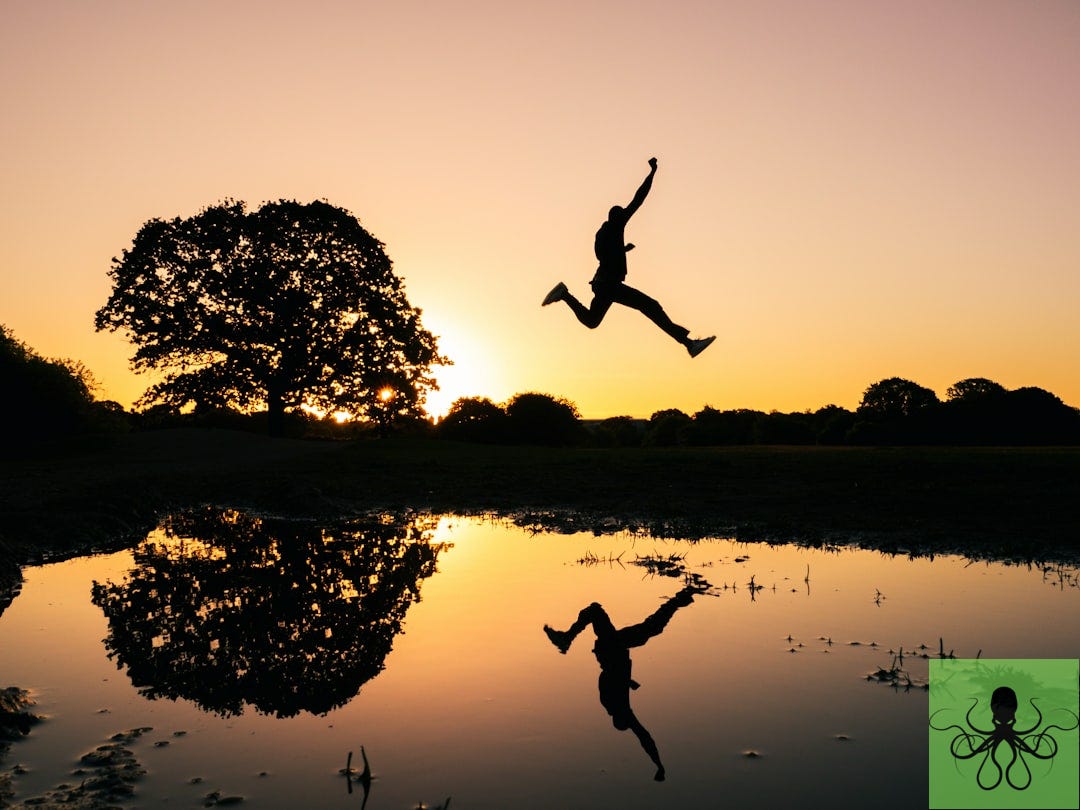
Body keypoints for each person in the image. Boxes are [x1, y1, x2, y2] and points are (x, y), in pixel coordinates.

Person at [542, 158, 715, 358]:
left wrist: (622, 250)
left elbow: (602, 255)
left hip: (603, 283)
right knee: (650, 306)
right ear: (615, 216)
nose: (625, 214)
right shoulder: (616, 225)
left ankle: (564, 295)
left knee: (592, 321)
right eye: (622, 213)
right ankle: (689, 344)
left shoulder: (603, 233)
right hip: (609, 284)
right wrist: (652, 173)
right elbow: (638, 199)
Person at [543, 584, 705, 781]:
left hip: (613, 646)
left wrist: (659, 765)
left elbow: (643, 737)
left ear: (617, 717)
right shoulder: (614, 704)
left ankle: (566, 639)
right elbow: (644, 738)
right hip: (612, 647)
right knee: (649, 625)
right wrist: (658, 764)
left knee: (614, 615)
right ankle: (683, 597)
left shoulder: (618, 705)